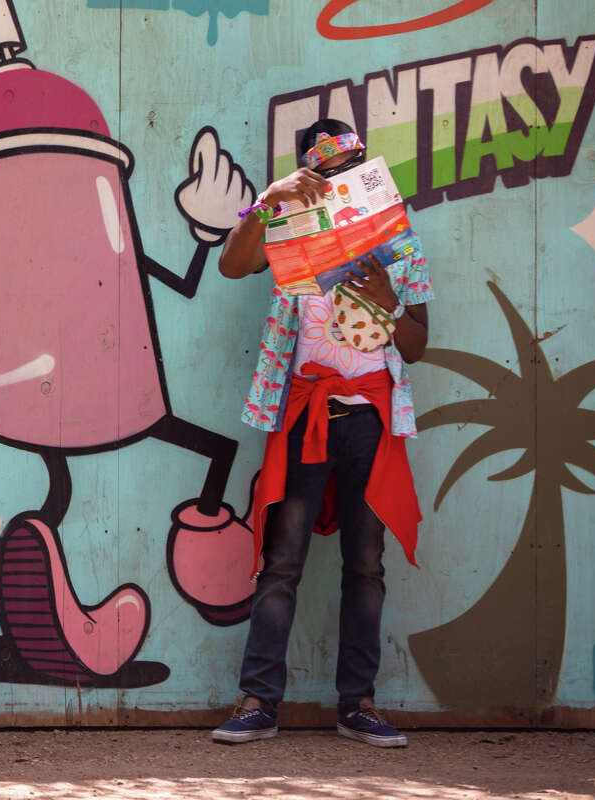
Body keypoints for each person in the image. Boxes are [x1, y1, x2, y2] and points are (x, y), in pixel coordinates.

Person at [211, 119, 434, 748]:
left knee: (366, 565)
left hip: (370, 419)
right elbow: (232, 265)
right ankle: (258, 702)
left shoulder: (395, 238)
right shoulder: (283, 227)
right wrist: (268, 199)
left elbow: (417, 345)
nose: (340, 178)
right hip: (304, 414)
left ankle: (357, 705)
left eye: (350, 166)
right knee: (281, 563)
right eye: (326, 169)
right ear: (311, 171)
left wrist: (389, 300)